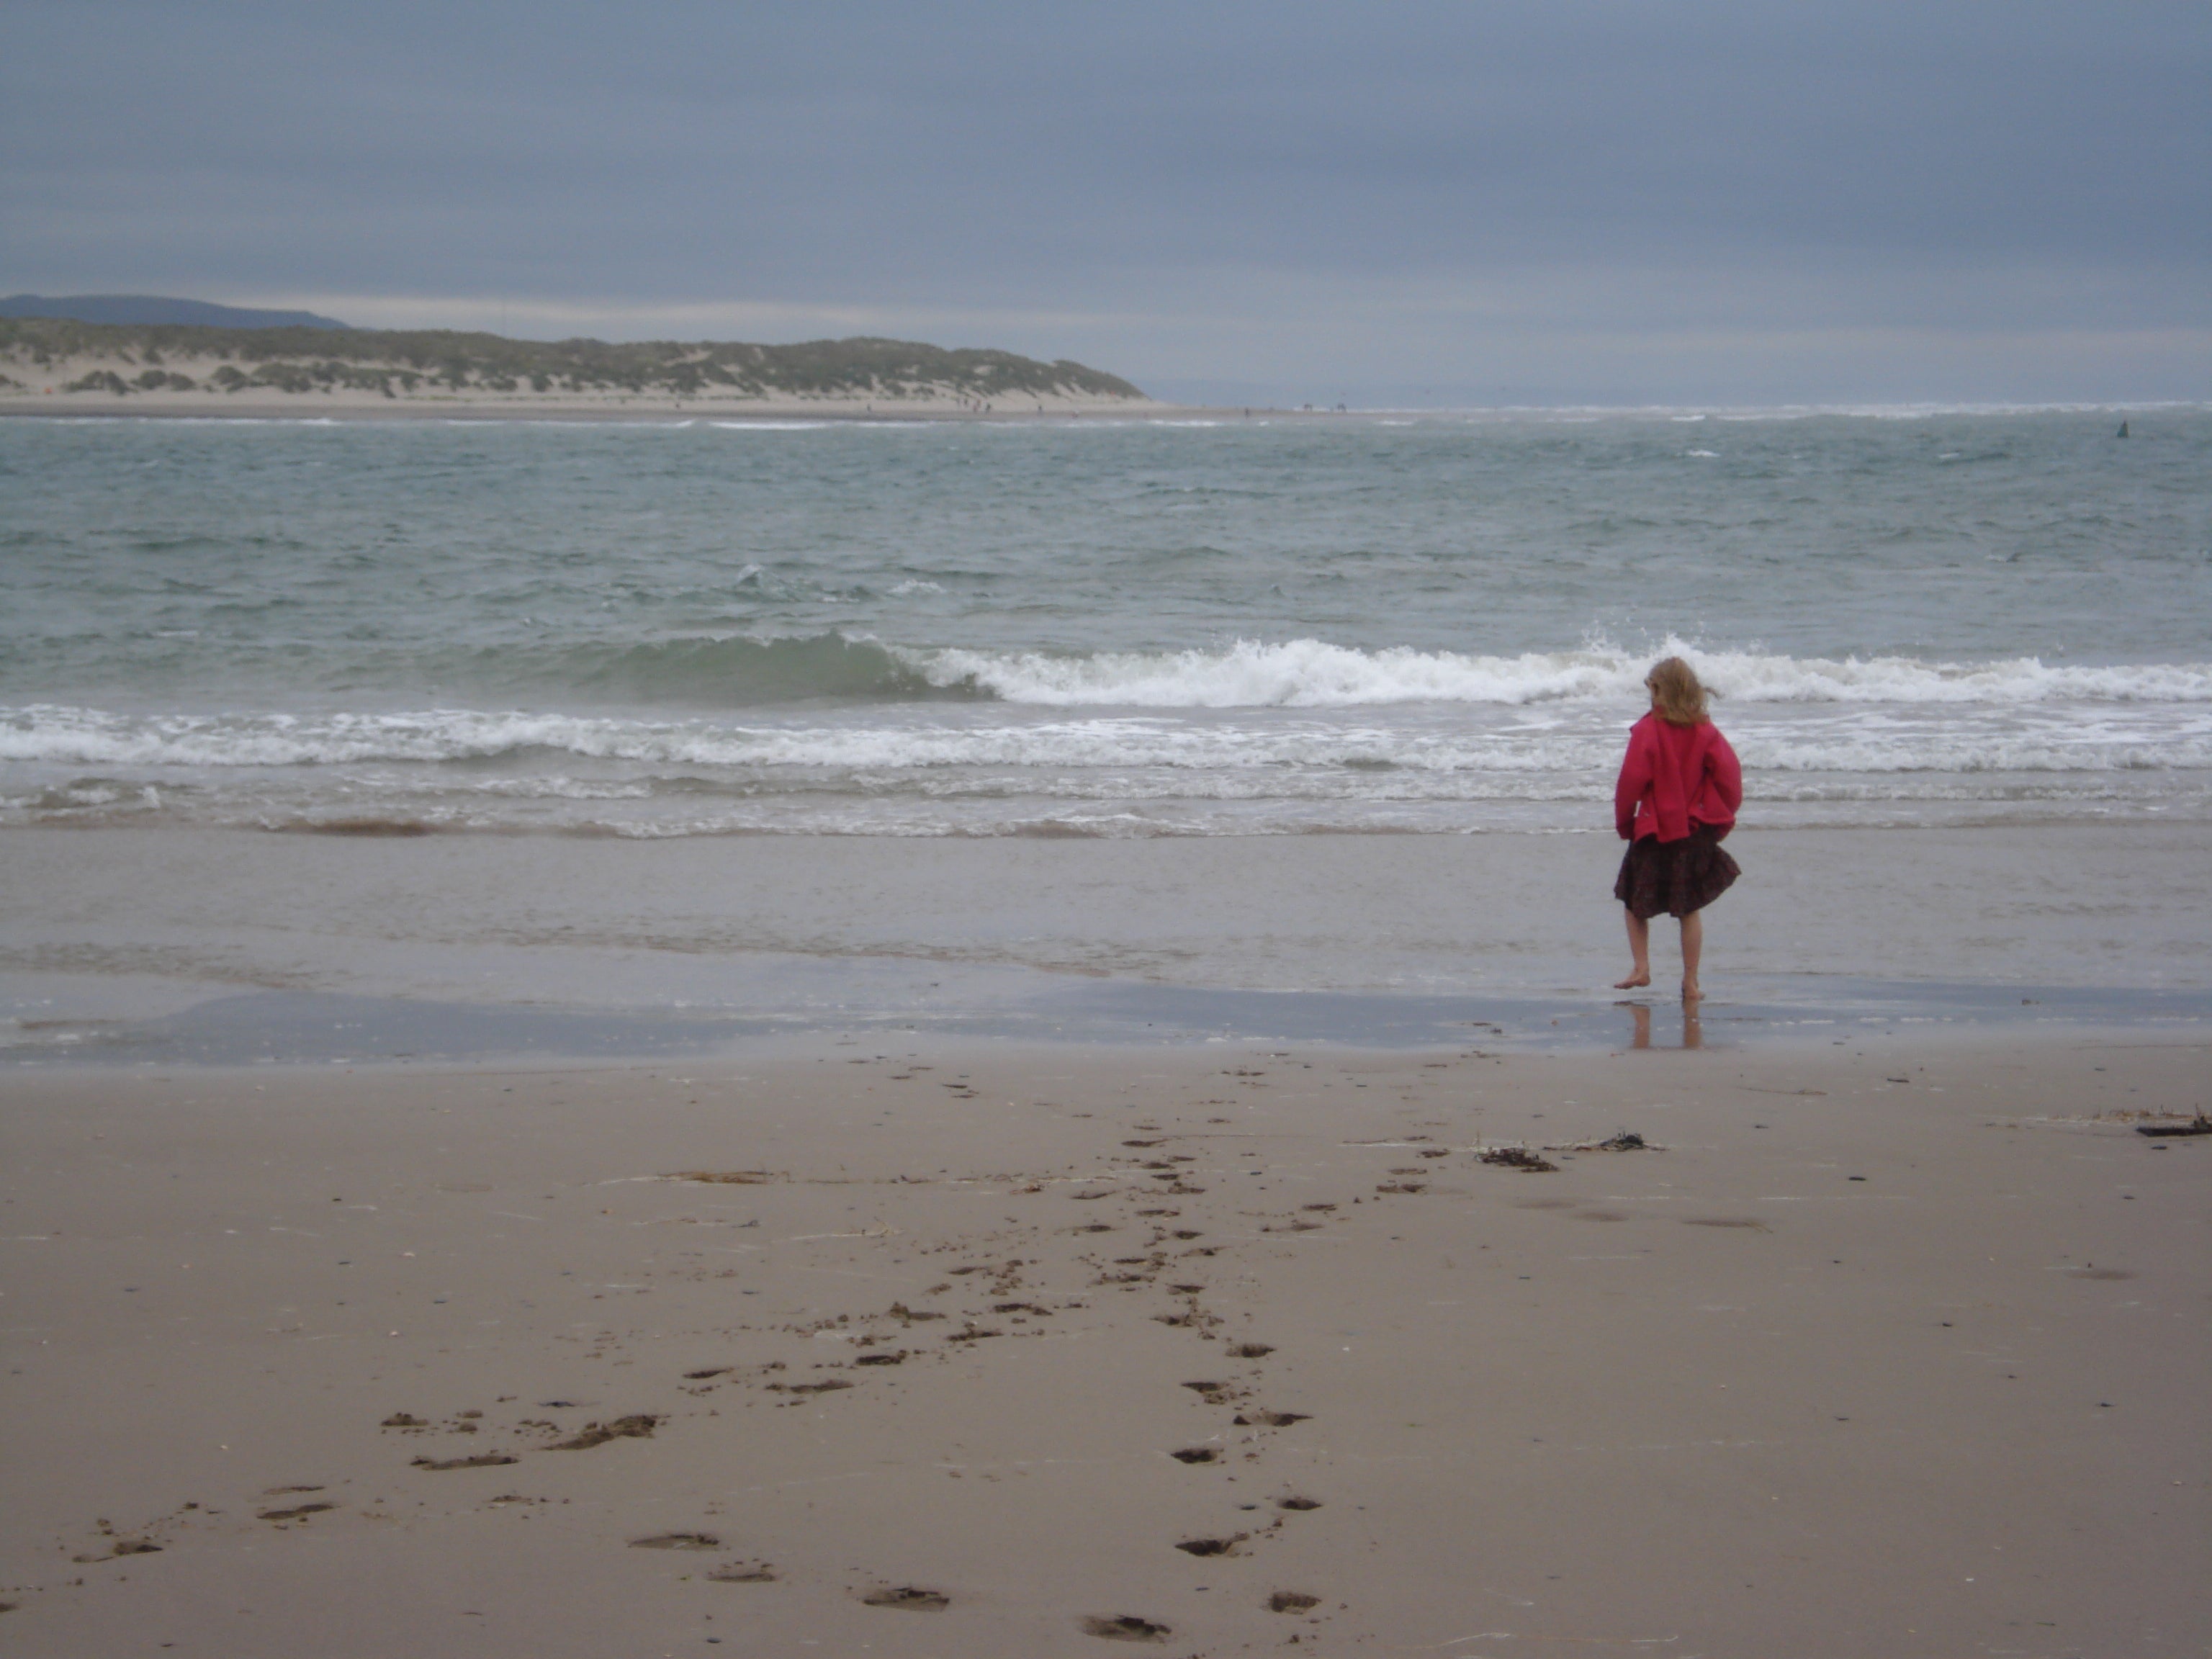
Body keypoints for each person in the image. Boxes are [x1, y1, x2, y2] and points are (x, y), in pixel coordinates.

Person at [1611, 657, 1741, 1001]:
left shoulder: (1647, 730)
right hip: (1694, 830)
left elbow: (1630, 783)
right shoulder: (1706, 731)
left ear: (1659, 690)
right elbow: (1730, 780)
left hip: (1654, 831)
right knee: (1689, 909)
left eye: (1651, 690)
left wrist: (1625, 823)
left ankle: (1641, 967)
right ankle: (1691, 982)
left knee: (1633, 901)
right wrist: (1720, 817)